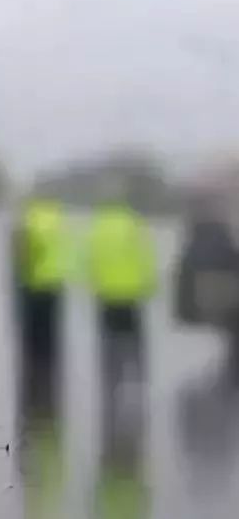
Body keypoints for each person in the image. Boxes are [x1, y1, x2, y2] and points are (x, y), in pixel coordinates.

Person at [84, 197, 156, 518]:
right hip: (131, 294)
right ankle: (136, 377)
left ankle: (111, 380)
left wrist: (95, 285)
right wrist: (147, 285)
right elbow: (147, 259)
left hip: (107, 295)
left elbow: (90, 261)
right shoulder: (135, 226)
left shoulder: (99, 228)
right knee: (135, 342)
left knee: (109, 343)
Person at [10, 196, 69, 519]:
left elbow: (22, 254)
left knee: (34, 334)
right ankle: (51, 364)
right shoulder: (57, 218)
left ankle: (36, 367)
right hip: (54, 283)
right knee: (52, 334)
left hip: (34, 283)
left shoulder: (29, 221)